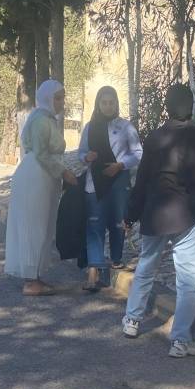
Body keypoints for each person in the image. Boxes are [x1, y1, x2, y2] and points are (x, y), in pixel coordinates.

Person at [121, 83, 195, 357]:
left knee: (146, 267)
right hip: (187, 215)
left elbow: (141, 182)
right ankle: (180, 340)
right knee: (188, 281)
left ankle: (132, 320)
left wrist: (130, 216)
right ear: (190, 105)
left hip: (155, 214)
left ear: (167, 106)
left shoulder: (156, 138)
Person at [5, 79, 78, 296]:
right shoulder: (41, 121)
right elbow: (41, 154)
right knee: (33, 226)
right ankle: (30, 282)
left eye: (62, 97)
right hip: (35, 177)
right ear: (47, 99)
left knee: (41, 226)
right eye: (58, 98)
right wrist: (64, 173)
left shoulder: (44, 118)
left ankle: (35, 277)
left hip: (42, 176)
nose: (62, 102)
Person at [78, 86, 143, 291]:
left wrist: (121, 165)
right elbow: (81, 152)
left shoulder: (126, 127)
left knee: (117, 222)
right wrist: (86, 157)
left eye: (111, 102)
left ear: (116, 103)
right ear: (98, 104)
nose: (108, 106)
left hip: (119, 181)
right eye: (104, 103)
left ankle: (116, 259)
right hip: (95, 182)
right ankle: (93, 271)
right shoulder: (90, 127)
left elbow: (138, 153)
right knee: (94, 224)